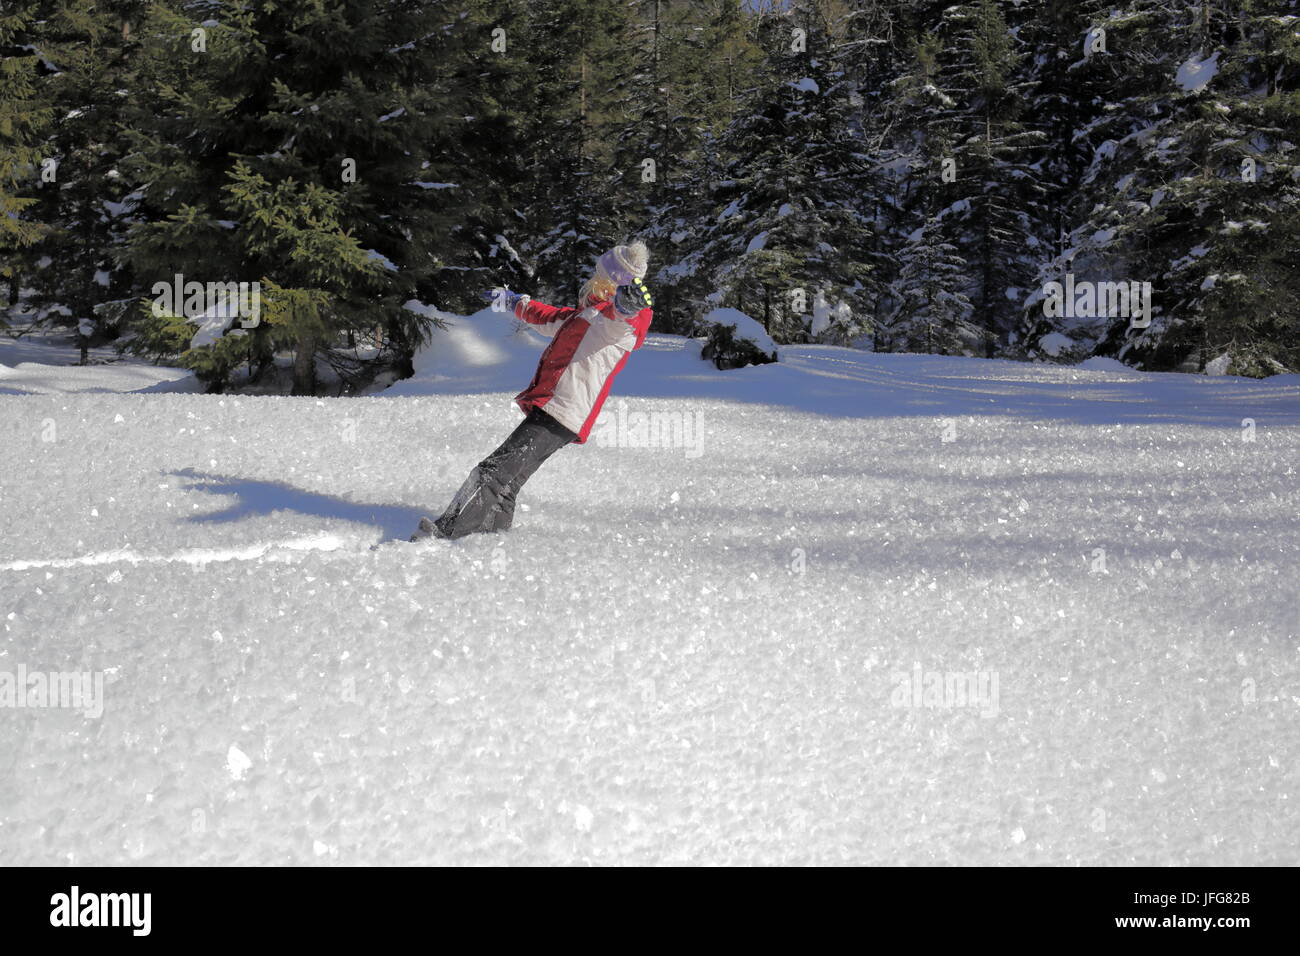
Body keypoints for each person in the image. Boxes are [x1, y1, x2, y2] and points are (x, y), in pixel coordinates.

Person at [411, 242, 654, 541]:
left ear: (615, 284)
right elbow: (546, 316)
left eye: (601, 276)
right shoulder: (587, 314)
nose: (594, 279)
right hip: (556, 409)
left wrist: (625, 309)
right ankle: (489, 539)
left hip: (563, 410)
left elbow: (626, 323)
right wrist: (510, 301)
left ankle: (445, 533)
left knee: (491, 472)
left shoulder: (614, 322)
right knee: (507, 481)